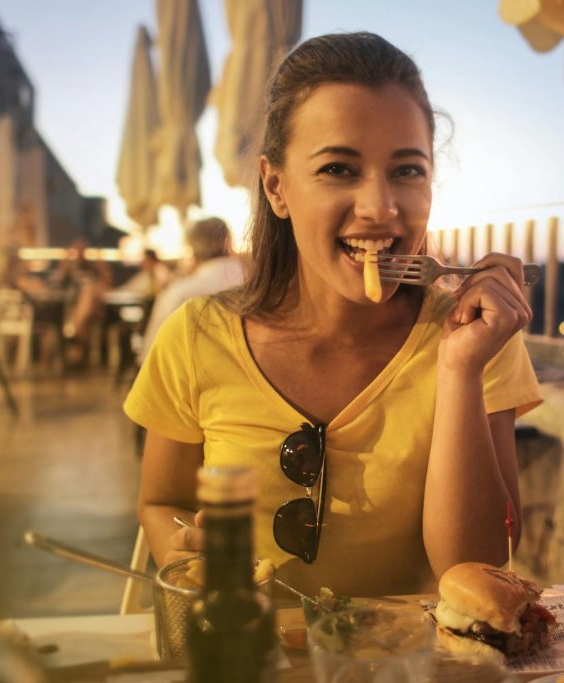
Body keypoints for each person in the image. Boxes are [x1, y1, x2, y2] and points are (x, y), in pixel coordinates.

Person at [124, 32, 542, 597]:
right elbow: (161, 500)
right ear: (277, 187)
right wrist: (179, 544)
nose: (380, 208)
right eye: (339, 170)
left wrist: (459, 371)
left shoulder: (474, 338)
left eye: (408, 170)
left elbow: (475, 570)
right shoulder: (196, 337)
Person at [138, 217, 245, 360]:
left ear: (192, 248)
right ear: (229, 240)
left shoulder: (179, 293)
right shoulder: (254, 284)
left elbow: (151, 354)